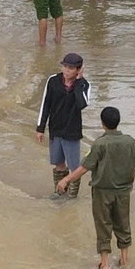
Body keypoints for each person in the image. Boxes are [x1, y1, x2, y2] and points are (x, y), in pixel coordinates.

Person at [57, 105, 135, 269]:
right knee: (123, 225)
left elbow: (84, 168)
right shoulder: (130, 142)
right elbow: (134, 166)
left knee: (103, 225)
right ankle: (124, 260)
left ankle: (105, 264)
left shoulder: (100, 144)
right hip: (123, 191)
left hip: (102, 192)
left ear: (103, 123)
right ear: (118, 122)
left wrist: (66, 180)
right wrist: (128, 184)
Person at [35, 52, 92, 197]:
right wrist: (40, 128)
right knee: (58, 163)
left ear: (78, 70)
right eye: (65, 66)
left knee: (74, 167)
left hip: (72, 131)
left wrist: (78, 82)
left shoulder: (85, 85)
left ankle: (72, 197)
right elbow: (45, 104)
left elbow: (82, 104)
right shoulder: (53, 81)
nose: (66, 70)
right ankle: (59, 193)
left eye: (71, 68)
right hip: (55, 129)